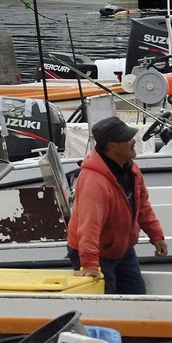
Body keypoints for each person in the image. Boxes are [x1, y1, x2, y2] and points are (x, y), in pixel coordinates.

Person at [68, 115, 167, 293]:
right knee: (107, 303)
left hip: (123, 250)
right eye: (127, 139)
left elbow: (142, 206)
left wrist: (157, 236)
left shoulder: (131, 168)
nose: (133, 141)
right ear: (112, 146)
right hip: (96, 254)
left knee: (136, 296)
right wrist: (89, 264)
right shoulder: (94, 182)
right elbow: (89, 226)